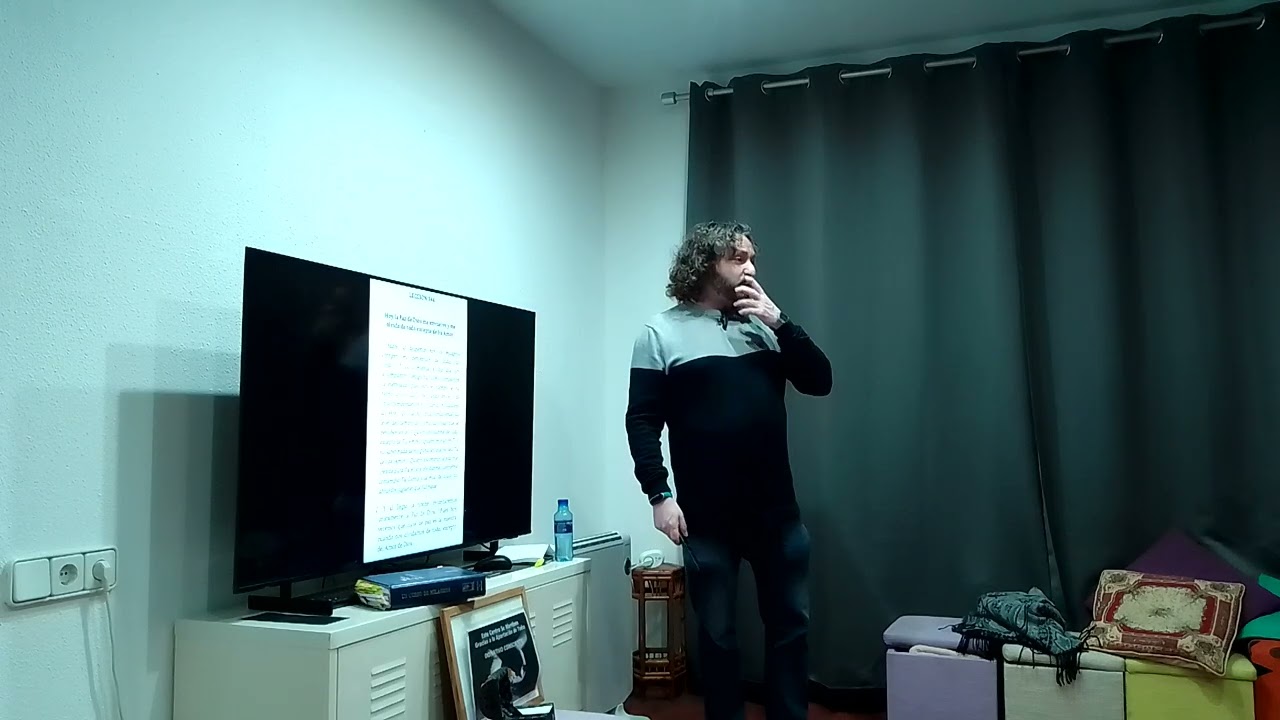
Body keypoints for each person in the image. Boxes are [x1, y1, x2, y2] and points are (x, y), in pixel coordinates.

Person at [624, 221, 833, 720]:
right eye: (739, 258)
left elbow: (820, 380)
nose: (751, 267)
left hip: (777, 515)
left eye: (752, 258)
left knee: (790, 629)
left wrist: (781, 322)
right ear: (706, 263)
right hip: (706, 520)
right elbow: (642, 420)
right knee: (717, 636)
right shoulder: (660, 332)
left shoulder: (764, 327)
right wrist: (659, 495)